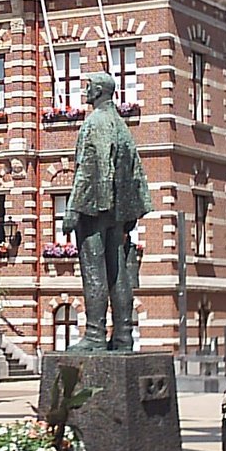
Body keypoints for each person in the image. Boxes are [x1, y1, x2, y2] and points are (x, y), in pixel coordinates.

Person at [62, 72, 152, 352]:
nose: (85, 90)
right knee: (118, 273)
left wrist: (74, 208)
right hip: (118, 211)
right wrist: (129, 215)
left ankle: (95, 335)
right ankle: (124, 335)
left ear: (99, 90)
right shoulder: (121, 125)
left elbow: (88, 169)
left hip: (95, 208)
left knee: (94, 271)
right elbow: (135, 172)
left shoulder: (95, 123)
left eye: (88, 86)